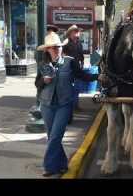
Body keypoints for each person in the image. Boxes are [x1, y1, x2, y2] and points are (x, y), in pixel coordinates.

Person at [36, 32, 98, 177]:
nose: (56, 49)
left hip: (64, 105)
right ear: (47, 50)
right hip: (46, 105)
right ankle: (63, 164)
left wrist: (98, 76)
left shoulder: (70, 62)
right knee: (52, 137)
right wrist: (43, 81)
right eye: (53, 48)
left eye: (58, 47)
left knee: (56, 136)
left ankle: (49, 167)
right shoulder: (43, 65)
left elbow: (83, 76)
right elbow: (37, 84)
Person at [62, 25, 85, 124]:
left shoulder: (79, 43)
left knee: (77, 88)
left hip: (77, 68)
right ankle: (69, 112)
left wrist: (82, 62)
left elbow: (81, 54)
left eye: (78, 32)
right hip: (69, 69)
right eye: (75, 32)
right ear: (70, 33)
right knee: (69, 90)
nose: (77, 33)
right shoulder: (66, 42)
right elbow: (61, 53)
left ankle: (75, 105)